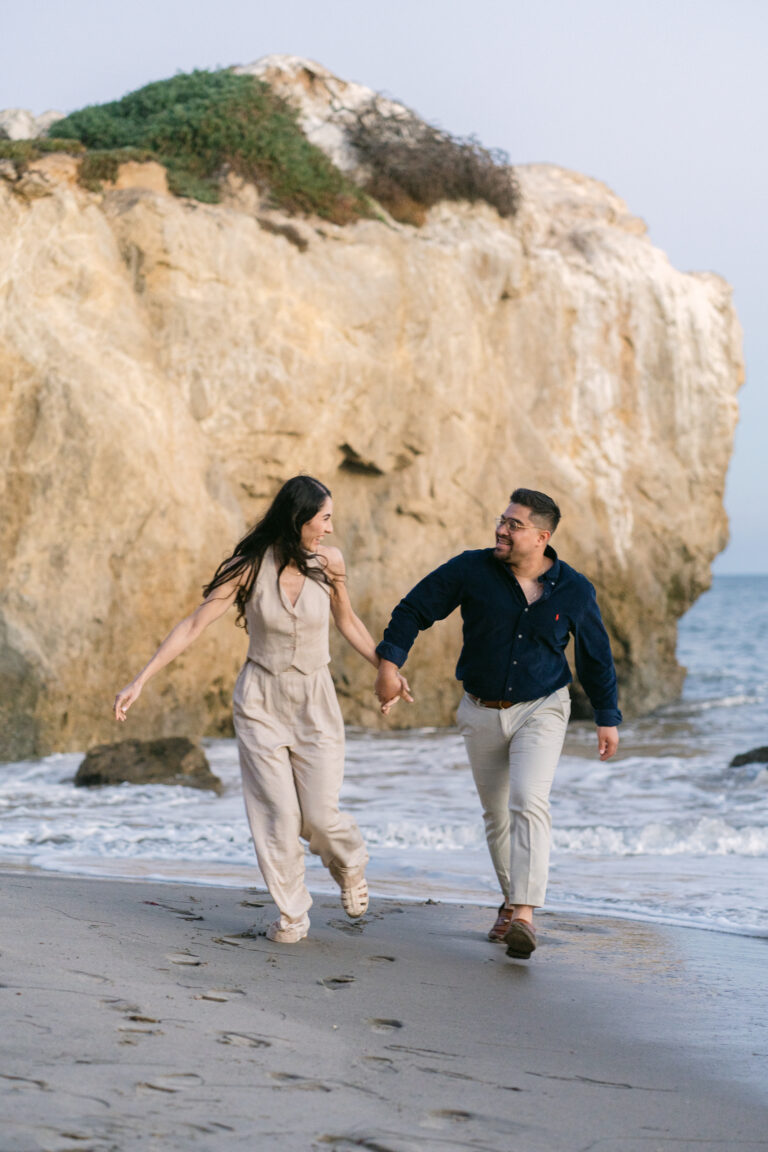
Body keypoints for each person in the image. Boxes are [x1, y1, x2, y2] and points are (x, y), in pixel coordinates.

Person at [114, 475, 405, 944]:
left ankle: (350, 864)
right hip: (260, 702)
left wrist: (385, 669)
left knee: (320, 816)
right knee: (277, 817)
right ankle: (293, 915)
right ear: (299, 519)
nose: (330, 528)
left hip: (315, 700)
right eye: (324, 518)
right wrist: (139, 680)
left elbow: (347, 621)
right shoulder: (247, 566)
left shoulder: (329, 563)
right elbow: (193, 625)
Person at [374, 487, 621, 960]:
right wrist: (390, 662)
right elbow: (415, 609)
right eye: (501, 520)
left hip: (543, 707)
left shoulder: (574, 589)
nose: (501, 530)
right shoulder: (472, 568)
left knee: (529, 800)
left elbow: (596, 658)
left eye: (514, 524)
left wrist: (606, 717)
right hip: (480, 708)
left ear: (542, 537)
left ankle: (525, 915)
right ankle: (511, 899)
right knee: (497, 814)